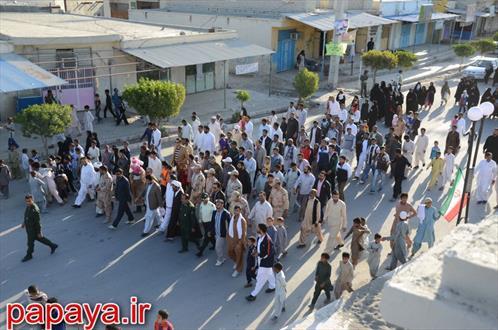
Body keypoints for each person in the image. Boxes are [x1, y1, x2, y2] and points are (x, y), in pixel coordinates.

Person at [21, 194, 58, 262]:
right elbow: (27, 216)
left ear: (32, 200)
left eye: (29, 201)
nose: (28, 203)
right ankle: (53, 245)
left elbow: (38, 223)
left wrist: (39, 232)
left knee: (30, 243)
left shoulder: (35, 210)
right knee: (41, 239)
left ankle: (29, 255)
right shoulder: (28, 207)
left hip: (33, 230)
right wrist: (24, 223)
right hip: (29, 229)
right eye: (26, 201)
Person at [246, 223, 276, 301]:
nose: (257, 228)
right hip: (261, 261)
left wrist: (258, 254)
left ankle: (253, 295)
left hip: (266, 263)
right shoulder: (259, 237)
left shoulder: (268, 240)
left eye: (258, 228)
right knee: (269, 274)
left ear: (261, 230)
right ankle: (273, 286)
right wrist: (255, 250)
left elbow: (268, 253)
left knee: (260, 279)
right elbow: (257, 246)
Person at [227, 205, 247, 277]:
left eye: (238, 211)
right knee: (230, 252)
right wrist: (228, 238)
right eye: (235, 210)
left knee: (239, 255)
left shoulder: (242, 220)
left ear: (240, 211)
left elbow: (244, 233)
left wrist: (240, 243)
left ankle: (238, 269)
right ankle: (236, 262)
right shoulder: (233, 217)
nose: (236, 212)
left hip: (239, 241)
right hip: (232, 240)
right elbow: (230, 228)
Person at [210, 199, 230, 265]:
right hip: (216, 233)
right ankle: (222, 257)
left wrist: (228, 234)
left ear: (222, 205)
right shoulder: (214, 212)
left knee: (217, 247)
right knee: (220, 246)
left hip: (222, 234)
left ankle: (220, 260)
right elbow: (212, 222)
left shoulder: (226, 213)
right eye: (216, 204)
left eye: (218, 204)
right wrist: (211, 231)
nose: (217, 206)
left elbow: (229, 224)